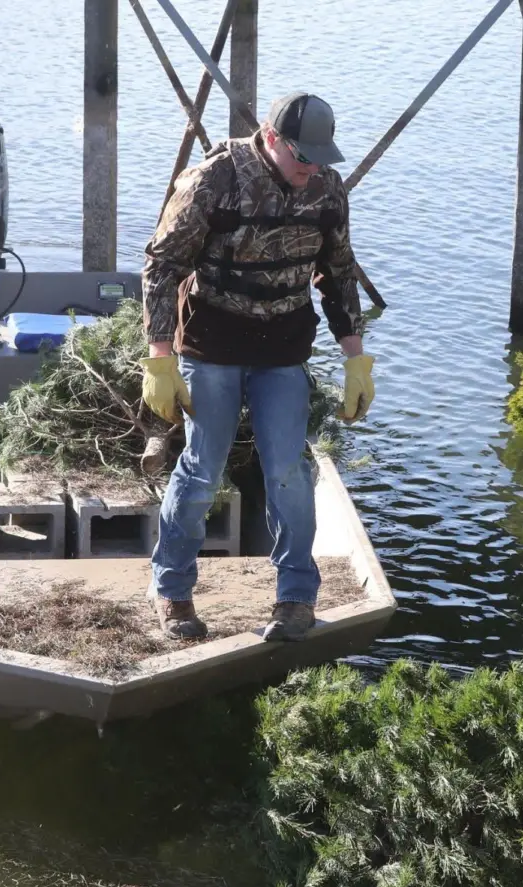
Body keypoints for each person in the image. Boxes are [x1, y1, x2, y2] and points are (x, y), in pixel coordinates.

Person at [140, 91, 376, 643]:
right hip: (213, 342)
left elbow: (338, 273)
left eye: (321, 158)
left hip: (282, 347)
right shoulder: (214, 180)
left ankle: (296, 596)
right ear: (272, 138)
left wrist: (356, 358)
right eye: (302, 156)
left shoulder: (326, 188)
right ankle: (172, 590)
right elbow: (162, 266)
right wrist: (160, 360)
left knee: (289, 471)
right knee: (203, 468)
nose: (311, 168)